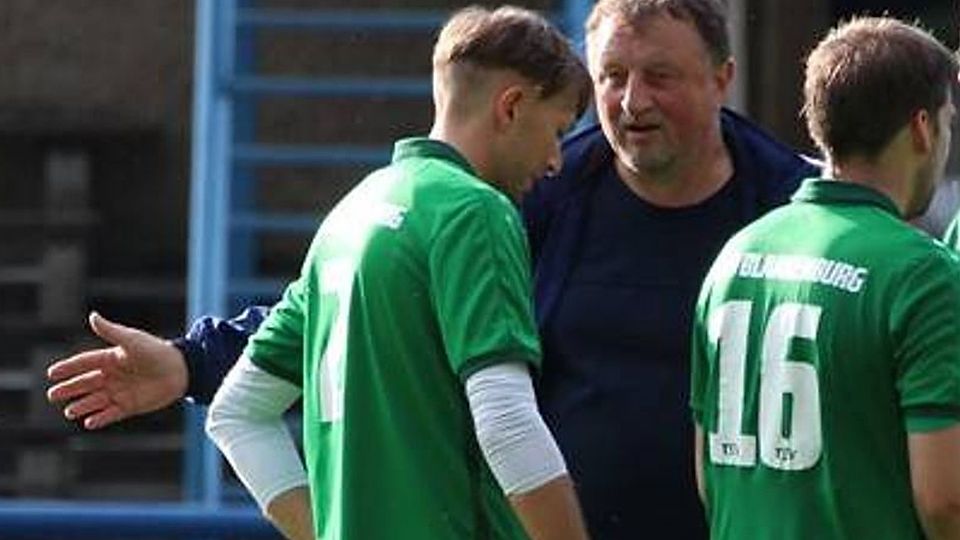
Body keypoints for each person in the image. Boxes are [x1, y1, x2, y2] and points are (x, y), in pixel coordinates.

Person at [47, 1, 817, 537]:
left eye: (661, 76)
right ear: (518, 107)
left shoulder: (797, 210)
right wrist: (188, 362)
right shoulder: (519, 199)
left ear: (723, 77)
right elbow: (467, 380)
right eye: (612, 76)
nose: (630, 100)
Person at [690, 16, 960, 540]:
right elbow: (945, 501)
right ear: (922, 128)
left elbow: (709, 475)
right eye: (949, 121)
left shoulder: (734, 256)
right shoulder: (921, 274)